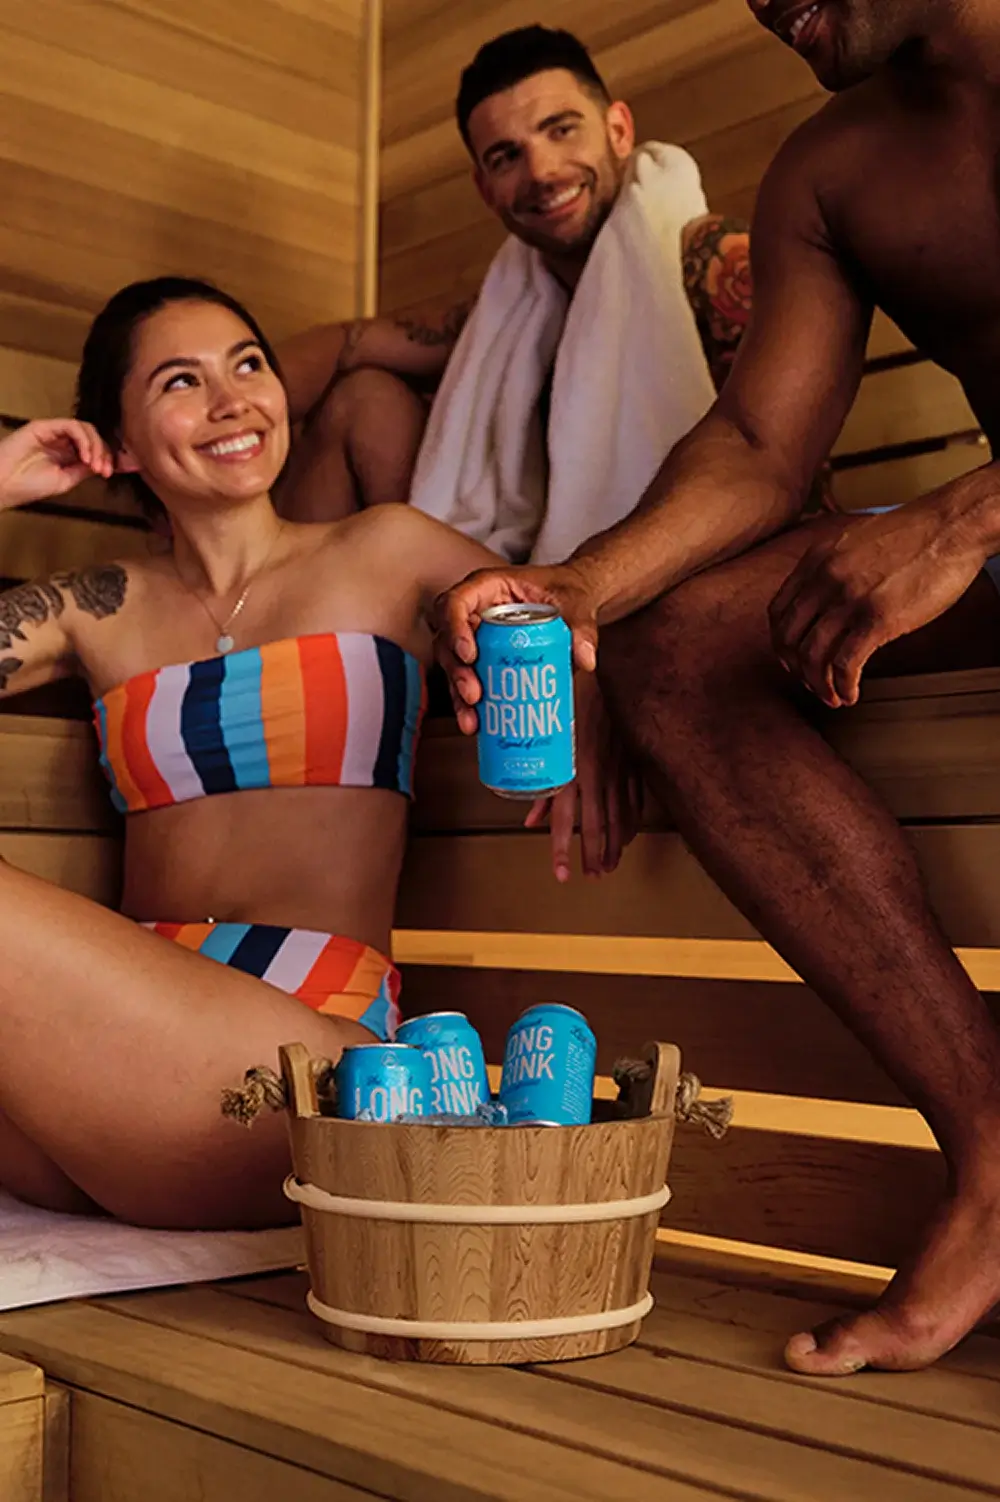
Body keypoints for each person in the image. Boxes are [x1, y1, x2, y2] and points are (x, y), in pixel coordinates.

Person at [437, 0, 1000, 1378]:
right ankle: (995, 1148)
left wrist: (960, 522)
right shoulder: (833, 165)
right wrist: (580, 589)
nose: (769, 1)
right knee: (674, 648)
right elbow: (757, 439)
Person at [0, 275, 626, 1233]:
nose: (230, 400)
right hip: (103, 1075)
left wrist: (590, 716)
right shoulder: (100, 604)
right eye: (180, 381)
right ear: (117, 444)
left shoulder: (384, 550)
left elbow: (550, 624)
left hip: (300, 1070)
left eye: (248, 365)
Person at [274, 26, 753, 532]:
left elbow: (777, 472)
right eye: (506, 157)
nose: (542, 172)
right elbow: (347, 344)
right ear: (485, 188)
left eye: (562, 129)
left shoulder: (714, 263)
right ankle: (258, 602)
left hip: (685, 560)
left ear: (618, 131)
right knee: (363, 398)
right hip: (528, 581)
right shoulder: (504, 314)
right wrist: (209, 434)